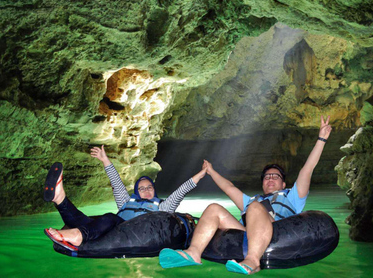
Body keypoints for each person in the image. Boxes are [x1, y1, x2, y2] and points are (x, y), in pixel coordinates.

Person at [159, 116, 332, 275]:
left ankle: (253, 261)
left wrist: (321, 139)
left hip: (277, 233)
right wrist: (211, 171)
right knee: (214, 209)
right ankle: (193, 253)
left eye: (275, 176)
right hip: (247, 233)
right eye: (267, 176)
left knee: (255, 208)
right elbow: (229, 187)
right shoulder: (252, 200)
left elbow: (307, 170)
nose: (270, 179)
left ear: (283, 184)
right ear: (263, 182)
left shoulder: (292, 197)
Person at [43, 145, 207, 251]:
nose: (147, 190)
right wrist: (105, 159)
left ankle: (79, 235)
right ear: (136, 192)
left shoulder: (163, 207)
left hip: (136, 234)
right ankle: (60, 198)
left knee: (109, 218)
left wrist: (199, 175)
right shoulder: (126, 202)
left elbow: (180, 191)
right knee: (88, 220)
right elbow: (116, 182)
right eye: (142, 189)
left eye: (149, 187)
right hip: (112, 230)